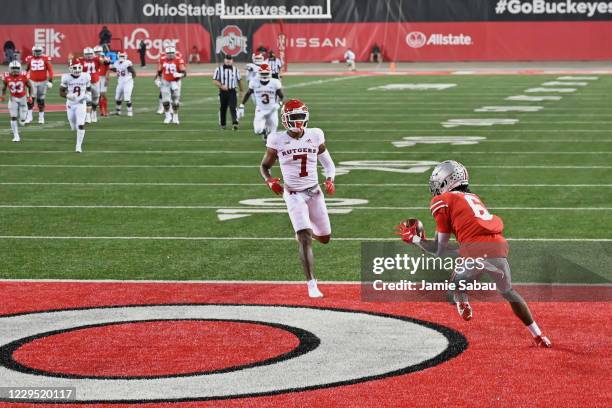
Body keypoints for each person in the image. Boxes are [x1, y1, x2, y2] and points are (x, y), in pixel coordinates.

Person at [395, 160, 552, 348]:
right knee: (508, 292)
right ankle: (538, 335)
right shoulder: (473, 197)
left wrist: (415, 240)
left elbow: (439, 249)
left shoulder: (442, 201)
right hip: (497, 246)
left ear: (446, 182)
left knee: (454, 287)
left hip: (476, 250)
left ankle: (462, 299)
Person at [259, 99, 336, 298]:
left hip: (314, 192)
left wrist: (330, 179)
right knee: (304, 237)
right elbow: (264, 166)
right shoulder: (277, 139)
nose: (298, 121)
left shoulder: (315, 135)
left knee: (325, 238)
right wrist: (269, 181)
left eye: (301, 116)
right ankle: (312, 284)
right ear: (285, 119)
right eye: (294, 117)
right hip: (293, 194)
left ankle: (306, 232)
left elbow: (328, 164)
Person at [239, 63, 283, 141]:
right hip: (260, 109)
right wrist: (242, 105)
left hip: (272, 109)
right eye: (263, 73)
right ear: (259, 74)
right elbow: (248, 93)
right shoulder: (254, 82)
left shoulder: (275, 82)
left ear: (269, 73)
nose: (264, 75)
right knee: (257, 130)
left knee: (273, 132)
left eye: (266, 73)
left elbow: (281, 96)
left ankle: (270, 145)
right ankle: (265, 131)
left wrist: (279, 103)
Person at [70, 47, 109, 123]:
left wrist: (104, 60)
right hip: (85, 82)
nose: (89, 55)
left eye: (90, 54)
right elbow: (72, 67)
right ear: (84, 54)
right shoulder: (80, 60)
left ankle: (93, 112)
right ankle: (87, 116)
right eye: (87, 54)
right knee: (87, 98)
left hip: (95, 81)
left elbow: (106, 63)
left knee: (96, 98)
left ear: (93, 54)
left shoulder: (97, 59)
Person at [59, 62, 91, 153]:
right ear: (70, 68)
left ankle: (78, 146)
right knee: (73, 126)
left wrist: (88, 95)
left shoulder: (86, 76)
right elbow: (61, 92)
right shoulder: (66, 77)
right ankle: (77, 133)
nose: (77, 70)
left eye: (78, 67)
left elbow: (88, 88)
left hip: (81, 103)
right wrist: (68, 95)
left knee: (80, 125)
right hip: (71, 104)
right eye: (75, 67)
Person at [1, 61, 32, 142]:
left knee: (22, 119)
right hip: (13, 99)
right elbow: (4, 87)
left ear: (20, 69)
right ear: (9, 69)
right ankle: (16, 136)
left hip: (23, 99)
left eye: (17, 68)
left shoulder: (24, 75)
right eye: (13, 68)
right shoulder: (6, 76)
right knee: (13, 117)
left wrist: (30, 97)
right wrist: (3, 95)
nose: (15, 70)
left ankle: (21, 120)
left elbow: (30, 86)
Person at [155, 46, 186, 124]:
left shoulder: (179, 60)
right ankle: (168, 117)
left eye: (172, 53)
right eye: (168, 53)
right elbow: (159, 71)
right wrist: (157, 79)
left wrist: (179, 74)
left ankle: (175, 117)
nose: (170, 55)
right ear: (166, 54)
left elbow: (184, 73)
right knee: (165, 101)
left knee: (175, 101)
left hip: (176, 82)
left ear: (175, 53)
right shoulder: (162, 60)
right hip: (165, 81)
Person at [25, 45, 54, 124]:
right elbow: (26, 69)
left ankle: (41, 117)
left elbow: (50, 70)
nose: (37, 53)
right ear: (33, 51)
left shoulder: (45, 58)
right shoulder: (30, 59)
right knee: (30, 100)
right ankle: (29, 117)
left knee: (40, 100)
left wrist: (50, 80)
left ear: (41, 51)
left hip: (42, 82)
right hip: (32, 81)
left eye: (39, 51)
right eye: (36, 51)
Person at [212, 54, 242, 130]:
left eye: (230, 59)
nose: (228, 61)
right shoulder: (218, 69)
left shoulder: (236, 69)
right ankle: (223, 124)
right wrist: (221, 86)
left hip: (232, 91)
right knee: (223, 108)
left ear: (232, 60)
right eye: (227, 59)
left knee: (233, 107)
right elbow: (215, 80)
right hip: (223, 92)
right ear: (224, 60)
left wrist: (241, 90)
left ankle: (235, 123)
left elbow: (239, 80)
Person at [111, 52, 136, 116]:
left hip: (128, 82)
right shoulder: (116, 63)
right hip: (120, 82)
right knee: (117, 97)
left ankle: (130, 111)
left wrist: (130, 79)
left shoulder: (127, 62)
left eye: (123, 56)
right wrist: (110, 67)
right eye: (120, 56)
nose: (121, 57)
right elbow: (115, 69)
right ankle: (118, 111)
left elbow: (133, 72)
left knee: (127, 98)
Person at [94, 45, 110, 116]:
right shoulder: (93, 59)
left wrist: (107, 78)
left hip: (103, 77)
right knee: (98, 95)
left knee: (103, 94)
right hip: (96, 77)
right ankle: (101, 110)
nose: (97, 53)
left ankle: (105, 109)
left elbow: (107, 69)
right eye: (96, 52)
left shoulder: (105, 58)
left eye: (98, 51)